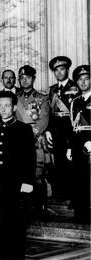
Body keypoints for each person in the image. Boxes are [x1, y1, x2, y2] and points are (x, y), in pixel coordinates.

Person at [0, 91, 36, 260]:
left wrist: (28, 182)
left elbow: (30, 158)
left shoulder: (24, 129)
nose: (3, 109)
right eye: (0, 106)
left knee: (16, 220)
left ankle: (17, 256)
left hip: (16, 183)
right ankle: (1, 254)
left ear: (14, 107)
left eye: (7, 105)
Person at [15, 65, 51, 215]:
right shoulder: (15, 99)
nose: (25, 81)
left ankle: (41, 206)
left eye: (28, 78)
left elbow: (43, 120)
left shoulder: (42, 98)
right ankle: (25, 207)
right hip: (18, 143)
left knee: (37, 175)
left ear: (33, 79)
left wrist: (28, 135)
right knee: (22, 175)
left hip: (35, 142)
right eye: (22, 78)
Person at [47, 56, 79, 200]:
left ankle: (73, 195)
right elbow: (50, 111)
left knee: (71, 163)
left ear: (67, 70)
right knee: (58, 161)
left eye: (62, 69)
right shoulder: (52, 89)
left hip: (70, 129)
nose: (59, 72)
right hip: (55, 130)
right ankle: (60, 193)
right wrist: (48, 130)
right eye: (56, 70)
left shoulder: (75, 87)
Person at [67, 65, 90, 224]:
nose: (83, 82)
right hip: (77, 144)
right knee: (78, 178)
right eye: (80, 79)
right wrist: (69, 146)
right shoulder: (75, 101)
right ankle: (80, 213)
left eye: (86, 78)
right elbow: (72, 126)